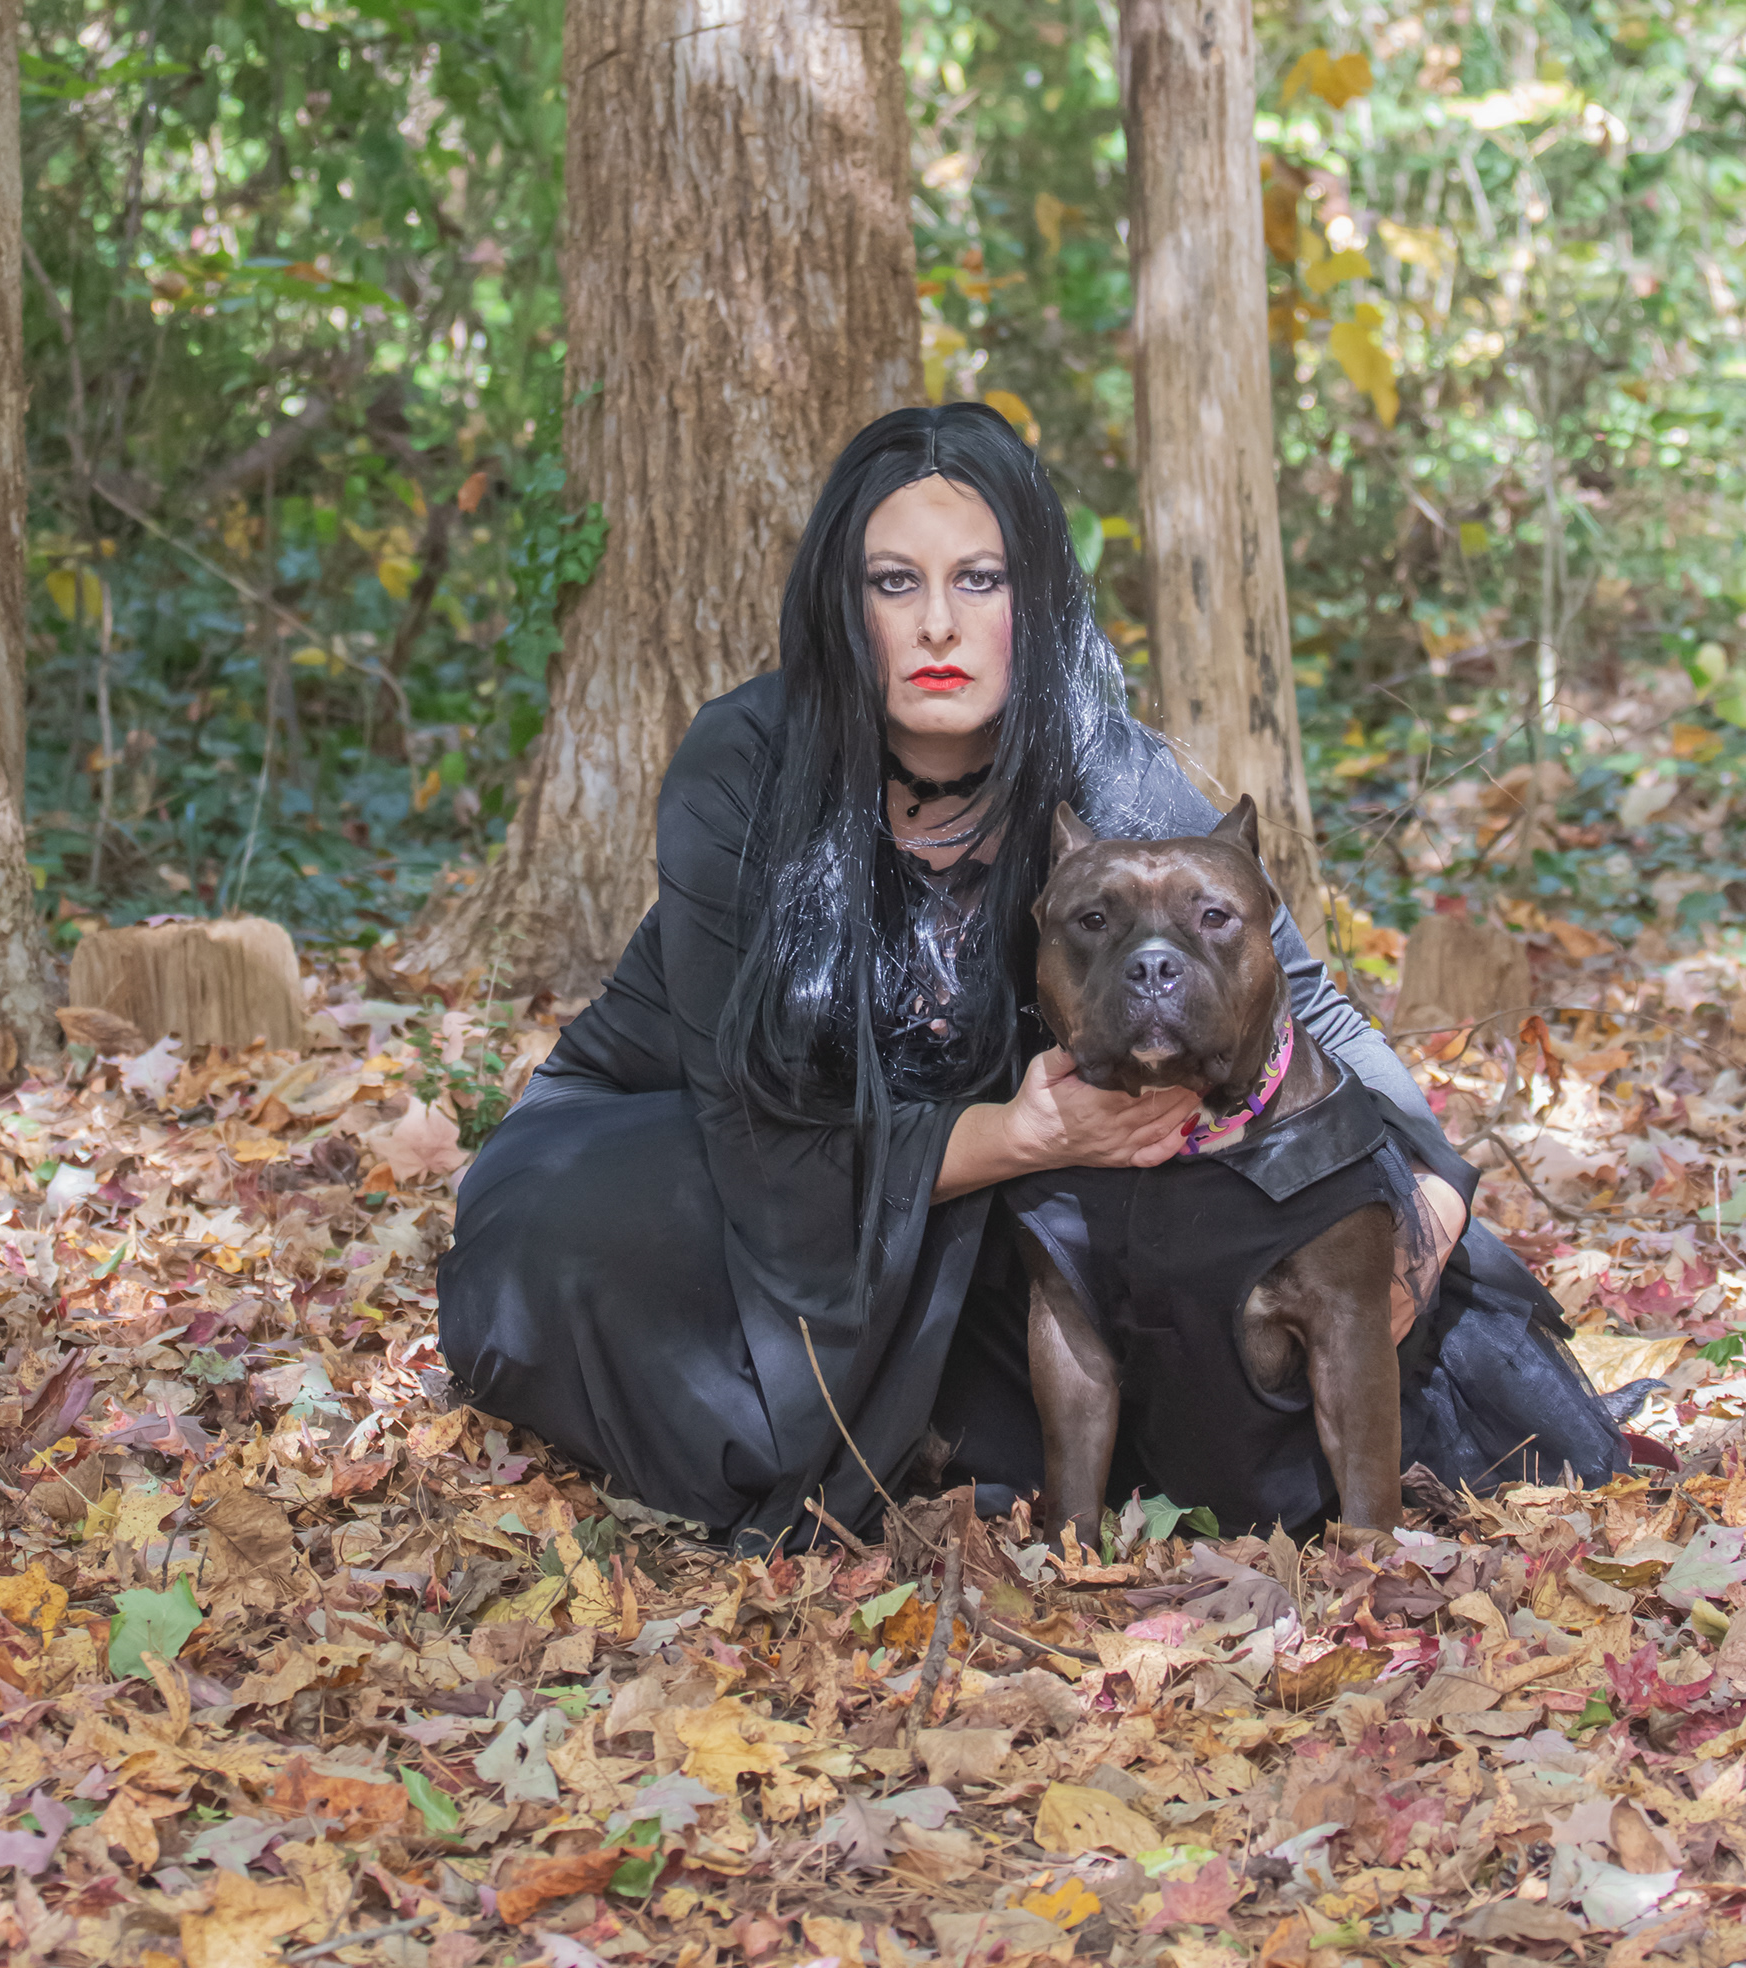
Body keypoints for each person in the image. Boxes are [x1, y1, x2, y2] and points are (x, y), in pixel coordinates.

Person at [437, 403, 1628, 1548]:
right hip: (711, 1150)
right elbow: (749, 1123)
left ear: (1037, 599)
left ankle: (994, 1433)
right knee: (580, 1228)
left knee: (1236, 1277)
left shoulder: (1109, 773)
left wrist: (1429, 1197)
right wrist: (1018, 1137)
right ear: (842, 603)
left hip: (963, 1218)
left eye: (981, 580)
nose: (937, 626)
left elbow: (1305, 1005)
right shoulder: (746, 766)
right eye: (893, 582)